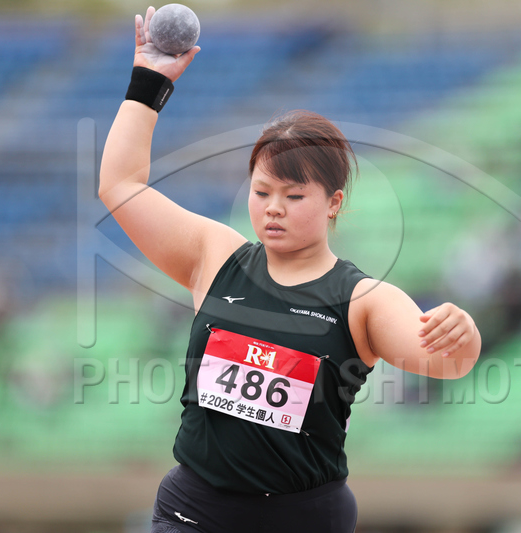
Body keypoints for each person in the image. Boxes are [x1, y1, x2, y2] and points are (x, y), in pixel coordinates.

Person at [99, 7, 481, 533]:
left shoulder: (362, 301)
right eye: (261, 192)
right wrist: (148, 82)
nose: (273, 208)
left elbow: (447, 362)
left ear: (333, 203)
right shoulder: (215, 256)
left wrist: (464, 334)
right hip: (194, 513)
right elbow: (120, 185)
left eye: (294, 195)